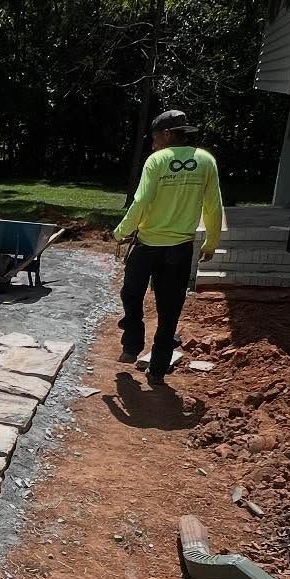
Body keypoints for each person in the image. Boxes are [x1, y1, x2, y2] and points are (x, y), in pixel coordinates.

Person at [113, 108, 223, 386]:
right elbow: (213, 206)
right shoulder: (205, 160)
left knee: (131, 294)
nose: (153, 143)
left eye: (154, 137)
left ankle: (135, 346)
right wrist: (211, 242)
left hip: (149, 244)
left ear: (165, 134)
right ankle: (156, 366)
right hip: (180, 249)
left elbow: (141, 201)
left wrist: (121, 231)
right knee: (169, 307)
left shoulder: (157, 160)